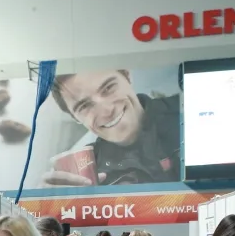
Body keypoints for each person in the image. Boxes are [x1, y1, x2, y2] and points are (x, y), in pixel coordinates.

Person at [44, 69, 181, 187]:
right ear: (76, 118)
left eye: (108, 88)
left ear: (127, 75)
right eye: (84, 106)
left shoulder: (187, 111)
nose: (107, 111)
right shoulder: (86, 173)